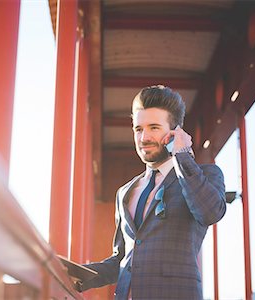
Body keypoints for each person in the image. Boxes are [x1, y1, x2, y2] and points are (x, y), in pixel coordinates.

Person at [79, 85, 226, 299]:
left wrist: (182, 155)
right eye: (138, 129)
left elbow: (210, 212)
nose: (144, 137)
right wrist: (77, 274)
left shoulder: (204, 175)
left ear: (175, 132)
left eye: (154, 127)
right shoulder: (125, 192)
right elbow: (122, 260)